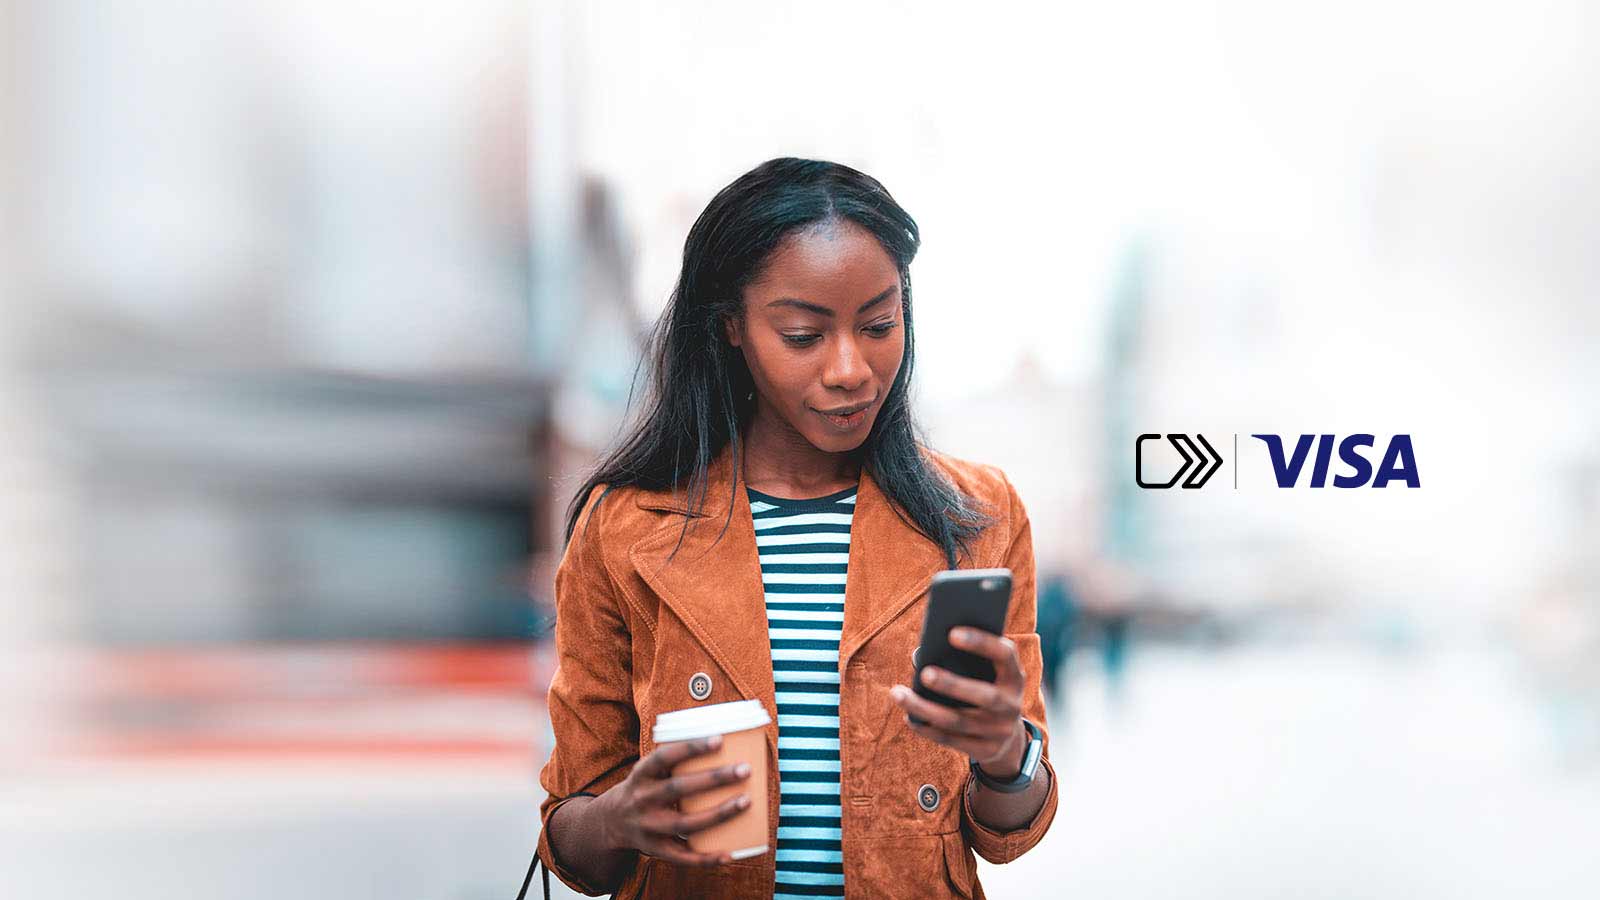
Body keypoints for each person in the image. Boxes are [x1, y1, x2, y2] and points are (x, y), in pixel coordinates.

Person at [533, 158, 1058, 899]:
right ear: (730, 328)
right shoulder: (624, 529)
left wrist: (1007, 753)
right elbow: (572, 842)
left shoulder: (977, 516)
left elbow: (1009, 832)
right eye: (805, 335)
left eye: (879, 325)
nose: (852, 369)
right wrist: (622, 817)